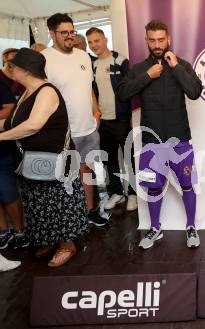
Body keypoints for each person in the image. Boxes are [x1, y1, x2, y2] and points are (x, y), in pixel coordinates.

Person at [117, 19, 202, 249]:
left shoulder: (181, 64)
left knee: (187, 185)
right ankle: (155, 228)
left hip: (180, 141)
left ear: (169, 40)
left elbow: (195, 92)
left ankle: (191, 226)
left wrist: (175, 68)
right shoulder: (138, 69)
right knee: (153, 188)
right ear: (146, 40)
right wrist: (147, 76)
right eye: (152, 40)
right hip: (151, 143)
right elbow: (122, 93)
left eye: (161, 40)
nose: (157, 44)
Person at [0, 48, 89, 267]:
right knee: (39, 204)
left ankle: (67, 244)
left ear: (26, 71)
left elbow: (32, 126)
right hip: (34, 162)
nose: (9, 70)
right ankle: (49, 239)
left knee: (58, 204)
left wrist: (1, 137)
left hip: (55, 161)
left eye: (13, 66)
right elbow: (12, 122)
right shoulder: (27, 93)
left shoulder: (47, 91)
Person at [41, 13, 108, 226]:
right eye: (64, 33)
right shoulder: (44, 59)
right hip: (62, 132)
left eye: (72, 31)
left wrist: (96, 113)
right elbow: (41, 96)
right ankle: (72, 218)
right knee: (65, 177)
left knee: (87, 170)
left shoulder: (83, 56)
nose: (69, 36)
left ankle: (90, 211)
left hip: (88, 127)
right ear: (52, 33)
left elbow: (89, 88)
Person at [86, 27, 137, 212]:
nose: (94, 45)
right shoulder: (92, 65)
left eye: (96, 40)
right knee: (109, 160)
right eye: (90, 42)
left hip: (122, 119)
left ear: (105, 39)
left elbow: (130, 91)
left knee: (129, 159)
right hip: (103, 121)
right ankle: (117, 192)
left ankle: (132, 193)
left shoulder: (121, 60)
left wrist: (130, 116)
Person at [0, 51, 28, 250]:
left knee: (8, 191)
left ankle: (19, 231)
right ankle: (3, 232)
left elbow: (9, 108)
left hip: (3, 148)